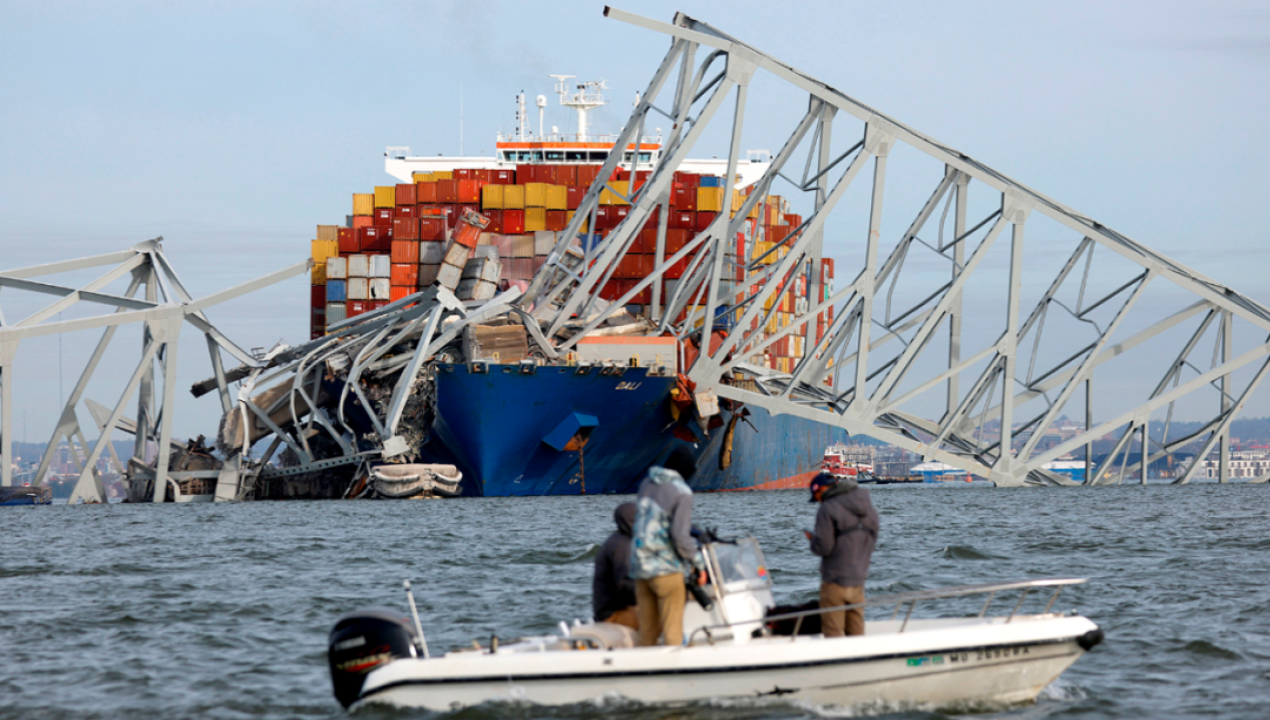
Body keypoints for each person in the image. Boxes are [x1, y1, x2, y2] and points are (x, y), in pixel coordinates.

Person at [630, 451, 708, 647]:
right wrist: (699, 565)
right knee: (672, 630)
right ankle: (675, 675)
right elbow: (680, 536)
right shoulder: (682, 492)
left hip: (639, 568)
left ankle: (642, 674)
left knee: (647, 631)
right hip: (665, 570)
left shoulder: (646, 484)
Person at [805, 472, 879, 637]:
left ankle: (838, 661)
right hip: (858, 580)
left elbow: (824, 548)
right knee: (856, 633)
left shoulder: (828, 508)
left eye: (816, 496)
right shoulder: (868, 508)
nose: (818, 500)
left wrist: (812, 541)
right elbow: (871, 541)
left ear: (822, 489)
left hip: (835, 581)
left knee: (833, 632)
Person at [592, 502, 639, 629]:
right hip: (613, 615)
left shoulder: (618, 540)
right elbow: (625, 586)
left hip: (613, 610)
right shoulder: (622, 546)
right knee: (661, 617)